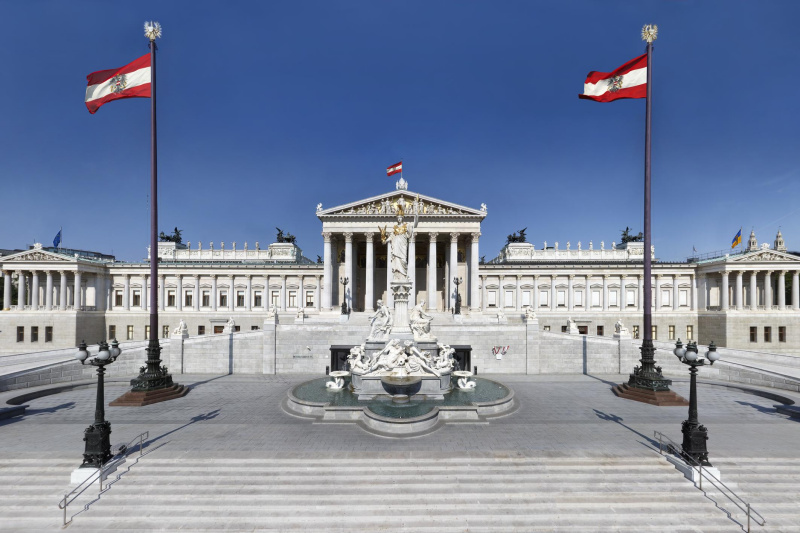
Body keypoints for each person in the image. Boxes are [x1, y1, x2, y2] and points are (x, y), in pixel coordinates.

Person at [379, 198, 419, 282]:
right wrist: (385, 241)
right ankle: (397, 276)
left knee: (403, 261)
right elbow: (391, 237)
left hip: (402, 247)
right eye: (398, 217)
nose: (399, 219)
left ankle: (404, 276)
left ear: (403, 218)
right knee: (396, 262)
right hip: (396, 247)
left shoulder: (406, 226)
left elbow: (414, 227)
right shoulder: (395, 228)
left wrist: (416, 216)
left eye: (401, 217)